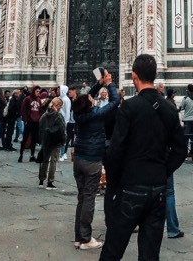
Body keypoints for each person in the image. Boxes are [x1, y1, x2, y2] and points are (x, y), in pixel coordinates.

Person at [100, 53, 186, 261]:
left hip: (131, 187)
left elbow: (115, 151)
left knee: (113, 249)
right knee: (150, 254)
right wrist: (162, 170)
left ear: (133, 76)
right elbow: (181, 150)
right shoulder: (169, 107)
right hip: (158, 190)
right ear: (155, 75)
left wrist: (113, 181)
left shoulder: (129, 107)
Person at [72, 70, 119, 251]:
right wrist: (109, 83)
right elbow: (114, 102)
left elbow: (85, 99)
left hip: (79, 160)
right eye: (91, 100)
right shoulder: (96, 114)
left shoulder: (79, 114)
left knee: (82, 197)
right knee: (89, 198)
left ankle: (79, 237)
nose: (92, 98)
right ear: (90, 106)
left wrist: (99, 84)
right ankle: (85, 239)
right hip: (92, 161)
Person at [163, 89, 184, 240]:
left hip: (145, 162)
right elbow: (179, 145)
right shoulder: (169, 110)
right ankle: (172, 229)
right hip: (164, 160)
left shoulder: (136, 108)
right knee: (169, 193)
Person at [38, 96, 66, 189]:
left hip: (46, 140)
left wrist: (42, 138)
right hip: (56, 141)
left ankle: (41, 180)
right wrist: (63, 140)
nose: (60, 108)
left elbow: (41, 127)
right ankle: (50, 181)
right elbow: (62, 129)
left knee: (45, 160)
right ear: (57, 105)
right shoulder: (58, 115)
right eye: (60, 106)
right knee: (53, 161)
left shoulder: (45, 115)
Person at [19, 85, 44, 162]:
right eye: (37, 91)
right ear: (33, 91)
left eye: (39, 92)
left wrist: (39, 118)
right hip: (29, 121)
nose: (38, 93)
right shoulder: (27, 99)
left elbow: (40, 110)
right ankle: (21, 155)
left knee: (34, 139)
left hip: (36, 122)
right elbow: (23, 110)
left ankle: (32, 155)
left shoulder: (39, 100)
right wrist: (25, 120)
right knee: (25, 138)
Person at [178, 84, 193, 159]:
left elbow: (182, 108)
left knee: (186, 137)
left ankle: (185, 154)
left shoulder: (186, 99)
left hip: (187, 120)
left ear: (188, 90)